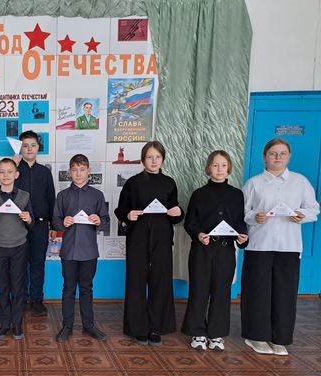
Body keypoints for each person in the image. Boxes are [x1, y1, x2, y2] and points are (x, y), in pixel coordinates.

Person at [241, 138, 319, 356]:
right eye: (273, 153)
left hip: (289, 246)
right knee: (257, 292)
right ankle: (255, 337)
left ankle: (280, 338)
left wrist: (302, 215)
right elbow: (243, 211)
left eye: (282, 153)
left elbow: (314, 209)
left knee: (285, 293)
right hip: (259, 245)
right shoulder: (254, 183)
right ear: (264, 156)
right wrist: (255, 217)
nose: (278, 157)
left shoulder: (300, 182)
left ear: (289, 156)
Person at [114, 141, 184, 346]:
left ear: (163, 159)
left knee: (160, 281)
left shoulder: (169, 183)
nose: (154, 161)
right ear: (143, 159)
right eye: (149, 157)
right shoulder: (133, 183)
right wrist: (128, 215)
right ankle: (138, 328)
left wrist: (178, 212)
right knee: (136, 281)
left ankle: (156, 327)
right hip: (138, 236)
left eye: (158, 157)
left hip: (162, 237)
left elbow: (175, 213)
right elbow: (120, 210)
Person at [181, 151, 248, 351]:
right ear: (208, 168)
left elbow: (240, 222)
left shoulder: (237, 195)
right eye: (215, 165)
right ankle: (197, 332)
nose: (219, 169)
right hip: (202, 249)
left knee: (221, 291)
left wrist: (242, 236)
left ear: (229, 168)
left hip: (225, 250)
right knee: (199, 290)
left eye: (223, 165)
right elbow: (190, 221)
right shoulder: (199, 194)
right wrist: (199, 234)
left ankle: (216, 334)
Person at [52, 154, 109, 342]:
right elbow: (55, 220)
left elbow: (105, 220)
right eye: (75, 170)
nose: (78, 174)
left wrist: (98, 220)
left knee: (86, 288)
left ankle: (89, 325)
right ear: (69, 172)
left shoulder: (97, 195)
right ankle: (67, 326)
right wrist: (63, 223)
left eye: (82, 169)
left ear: (89, 171)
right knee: (68, 288)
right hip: (68, 251)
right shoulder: (62, 196)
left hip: (89, 251)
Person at [0, 158, 33, 340]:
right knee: (2, 287)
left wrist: (29, 219)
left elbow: (31, 224)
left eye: (10, 171)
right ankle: (5, 323)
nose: (6, 175)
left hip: (20, 246)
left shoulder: (25, 196)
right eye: (2, 172)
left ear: (16, 174)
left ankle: (17, 323)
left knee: (18, 287)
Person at [14, 130, 56, 316]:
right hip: (18, 224)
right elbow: (6, 192)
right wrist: (14, 167)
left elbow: (51, 198)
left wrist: (53, 226)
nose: (29, 149)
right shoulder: (14, 170)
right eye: (25, 146)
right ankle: (21, 299)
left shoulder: (45, 172)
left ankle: (37, 300)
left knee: (38, 263)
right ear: (20, 148)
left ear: (38, 147)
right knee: (20, 265)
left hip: (40, 225)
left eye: (33, 145)